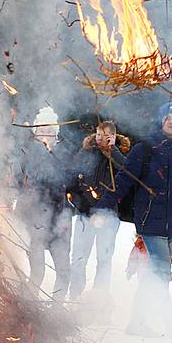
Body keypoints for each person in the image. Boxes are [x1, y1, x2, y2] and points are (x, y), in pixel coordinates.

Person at [97, 102, 172, 338]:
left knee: (155, 272)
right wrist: (102, 206)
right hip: (150, 218)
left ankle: (136, 322)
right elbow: (124, 179)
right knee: (161, 269)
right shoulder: (146, 148)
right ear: (161, 121)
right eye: (168, 118)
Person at [18, 106, 78, 300]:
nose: (46, 133)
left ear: (56, 133)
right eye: (42, 129)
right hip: (36, 221)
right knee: (38, 271)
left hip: (60, 221)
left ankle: (57, 310)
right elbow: (23, 182)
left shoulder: (64, 153)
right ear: (36, 132)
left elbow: (72, 181)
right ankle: (29, 307)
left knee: (64, 271)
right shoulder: (27, 153)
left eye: (50, 129)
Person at [68, 119, 130, 302]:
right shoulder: (86, 152)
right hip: (85, 215)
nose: (101, 139)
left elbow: (127, 172)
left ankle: (98, 300)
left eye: (106, 135)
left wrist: (113, 151)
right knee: (79, 259)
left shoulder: (121, 155)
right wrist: (82, 205)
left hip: (109, 215)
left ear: (113, 136)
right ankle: (75, 296)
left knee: (104, 260)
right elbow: (73, 180)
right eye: (99, 134)